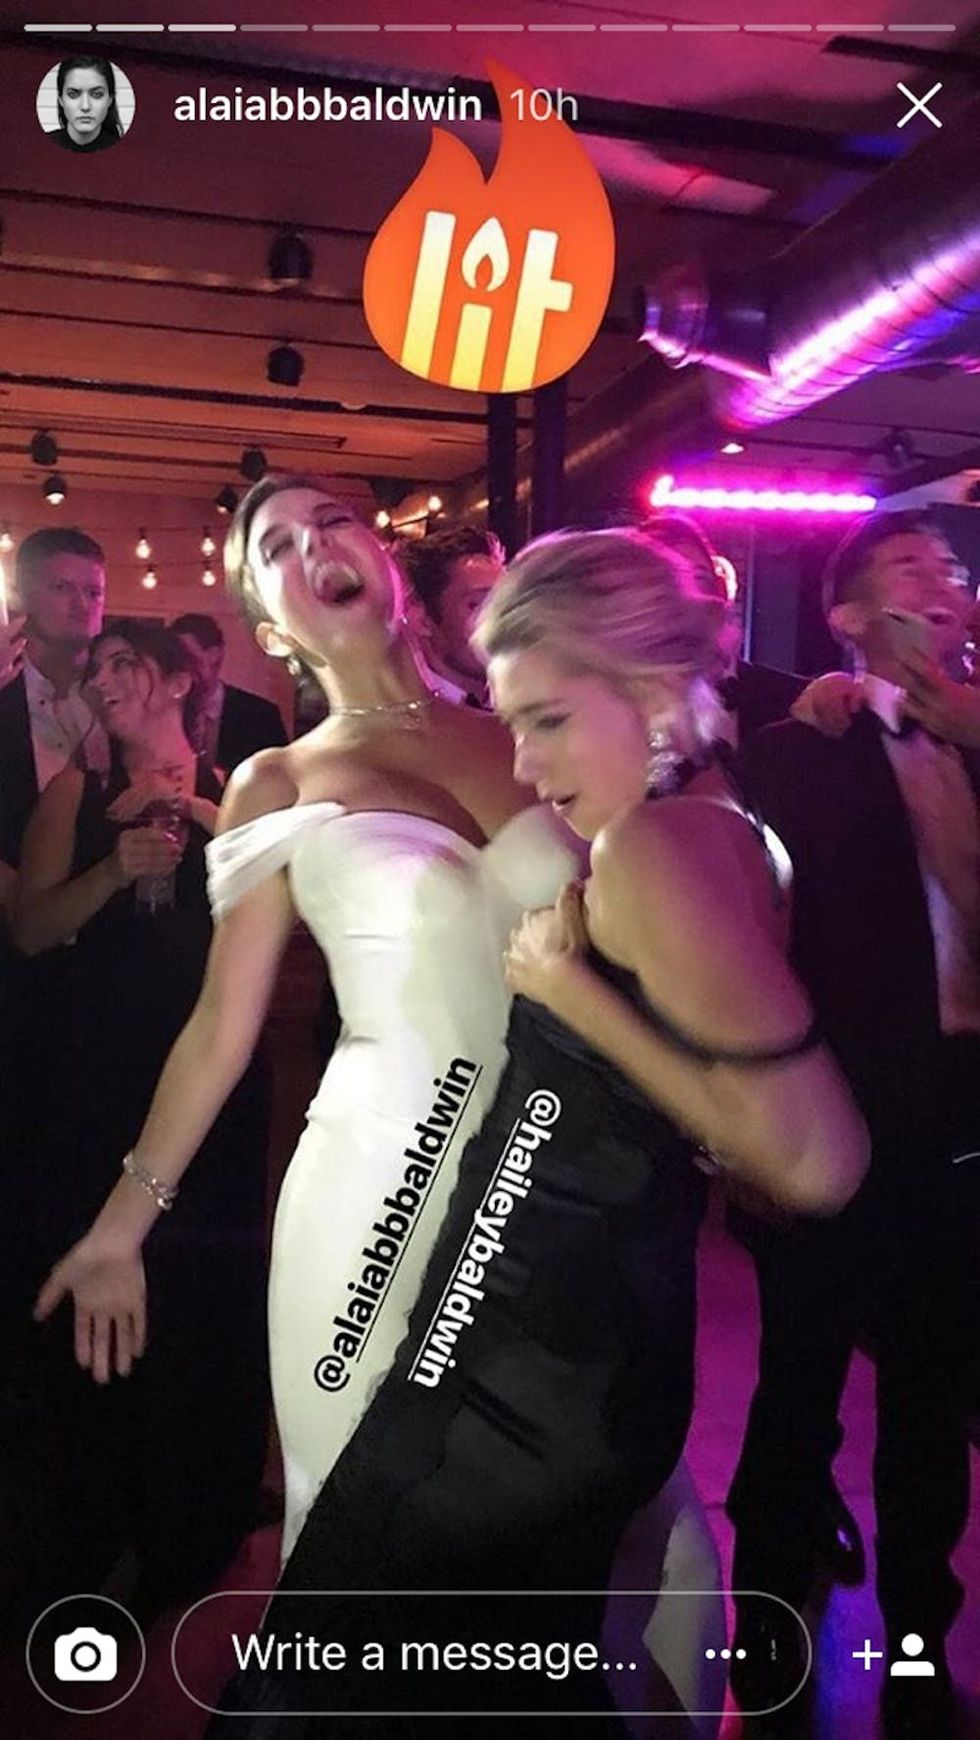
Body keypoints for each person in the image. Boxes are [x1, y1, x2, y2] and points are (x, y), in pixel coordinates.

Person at [205, 528, 868, 1737]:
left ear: (651, 689)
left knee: (368, 1660)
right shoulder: (718, 825)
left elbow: (816, 1162)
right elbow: (738, 1133)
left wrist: (571, 999)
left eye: (548, 720)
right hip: (584, 1322)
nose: (523, 762)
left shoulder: (655, 846)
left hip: (533, 1350)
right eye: (512, 724)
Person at [34, 475, 587, 1574]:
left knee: (599, 1544)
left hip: (566, 1177)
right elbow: (220, 1023)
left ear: (387, 566)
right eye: (275, 547)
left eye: (332, 521)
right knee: (370, 1539)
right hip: (384, 1185)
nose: (313, 546)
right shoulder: (276, 779)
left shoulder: (530, 730)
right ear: (269, 628)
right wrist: (120, 1227)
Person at [728, 510, 979, 1739]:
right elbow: (749, 943)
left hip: (961, 1114)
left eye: (951, 567)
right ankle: (767, 1646)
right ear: (844, 616)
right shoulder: (794, 752)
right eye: (908, 567)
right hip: (832, 1112)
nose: (942, 579)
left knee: (931, 1399)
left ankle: (919, 1649)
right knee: (798, 1387)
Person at [15, 621, 270, 1616]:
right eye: (96, 668)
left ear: (177, 682)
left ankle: (194, 1526)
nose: (102, 680)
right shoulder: (73, 796)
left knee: (203, 1297)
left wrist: (200, 814)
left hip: (215, 1095)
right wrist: (111, 870)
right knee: (98, 1293)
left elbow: (290, 923)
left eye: (123, 663)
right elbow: (31, 931)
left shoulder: (240, 793)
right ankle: (91, 1519)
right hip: (96, 1089)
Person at [0, 529, 107, 1415]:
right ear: (26, 601)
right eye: (65, 588)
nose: (84, 603)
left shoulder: (128, 703)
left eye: (94, 589)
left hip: (114, 976)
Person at [642, 511, 805, 744]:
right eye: (666, 582)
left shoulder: (797, 701)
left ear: (720, 592)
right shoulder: (616, 707)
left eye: (699, 579)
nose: (690, 596)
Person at [171, 611, 288, 774]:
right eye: (175, 657)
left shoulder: (260, 715)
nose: (181, 665)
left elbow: (278, 776)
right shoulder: (165, 710)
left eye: (188, 656)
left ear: (214, 654)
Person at [400, 524, 504, 705]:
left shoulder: (524, 702)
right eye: (479, 604)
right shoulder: (401, 712)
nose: (506, 619)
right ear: (422, 620)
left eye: (507, 601)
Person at [49, 55, 126, 152]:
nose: (85, 106)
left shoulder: (126, 152)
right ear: (61, 99)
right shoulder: (38, 147)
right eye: (73, 94)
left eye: (97, 94)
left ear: (110, 99)